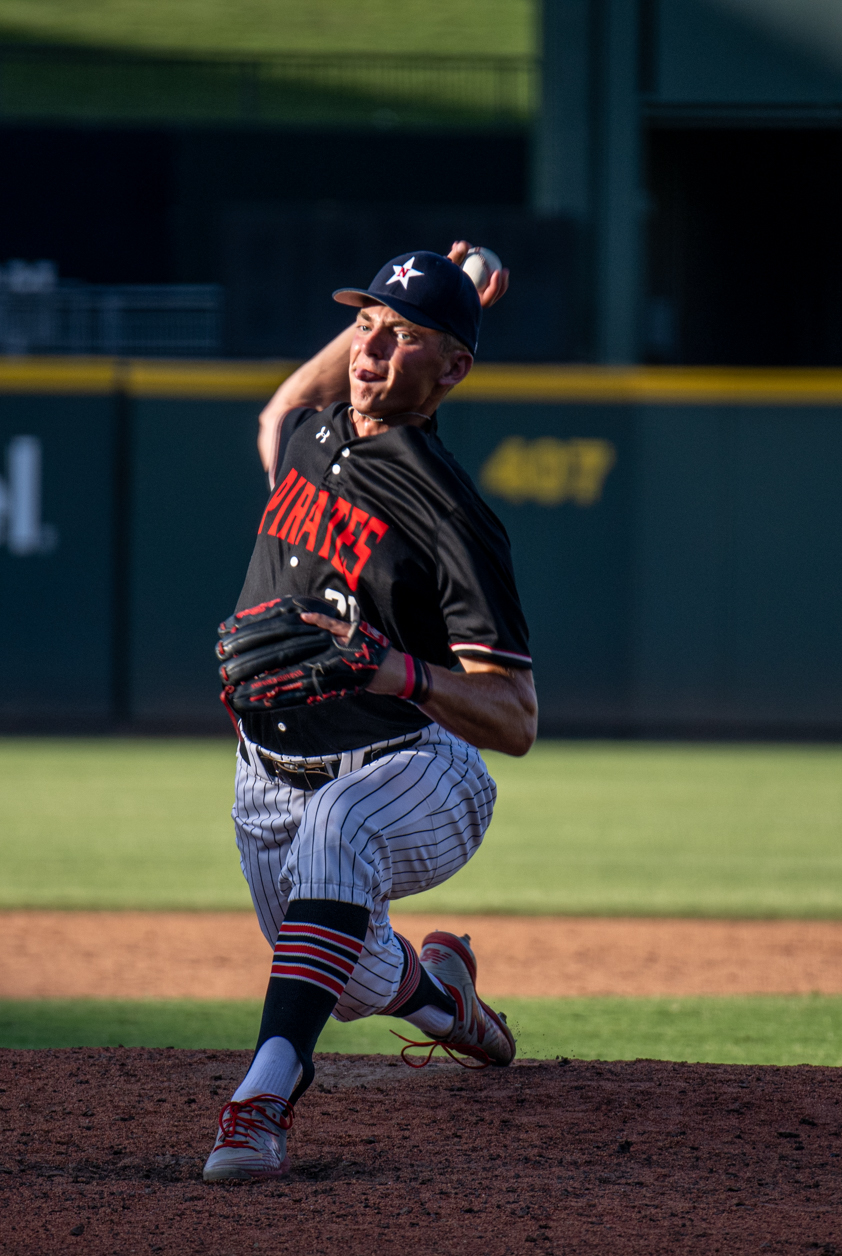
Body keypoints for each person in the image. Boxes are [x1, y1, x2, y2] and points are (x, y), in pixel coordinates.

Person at [200, 242, 537, 1182]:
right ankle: (448, 1002)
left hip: (414, 766)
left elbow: (514, 715)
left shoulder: (451, 511)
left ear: (454, 370)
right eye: (364, 326)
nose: (372, 350)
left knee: (340, 834)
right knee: (346, 977)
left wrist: (396, 670)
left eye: (404, 337)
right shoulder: (309, 438)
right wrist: (433, 307)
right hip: (268, 779)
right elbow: (282, 404)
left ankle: (263, 1096)